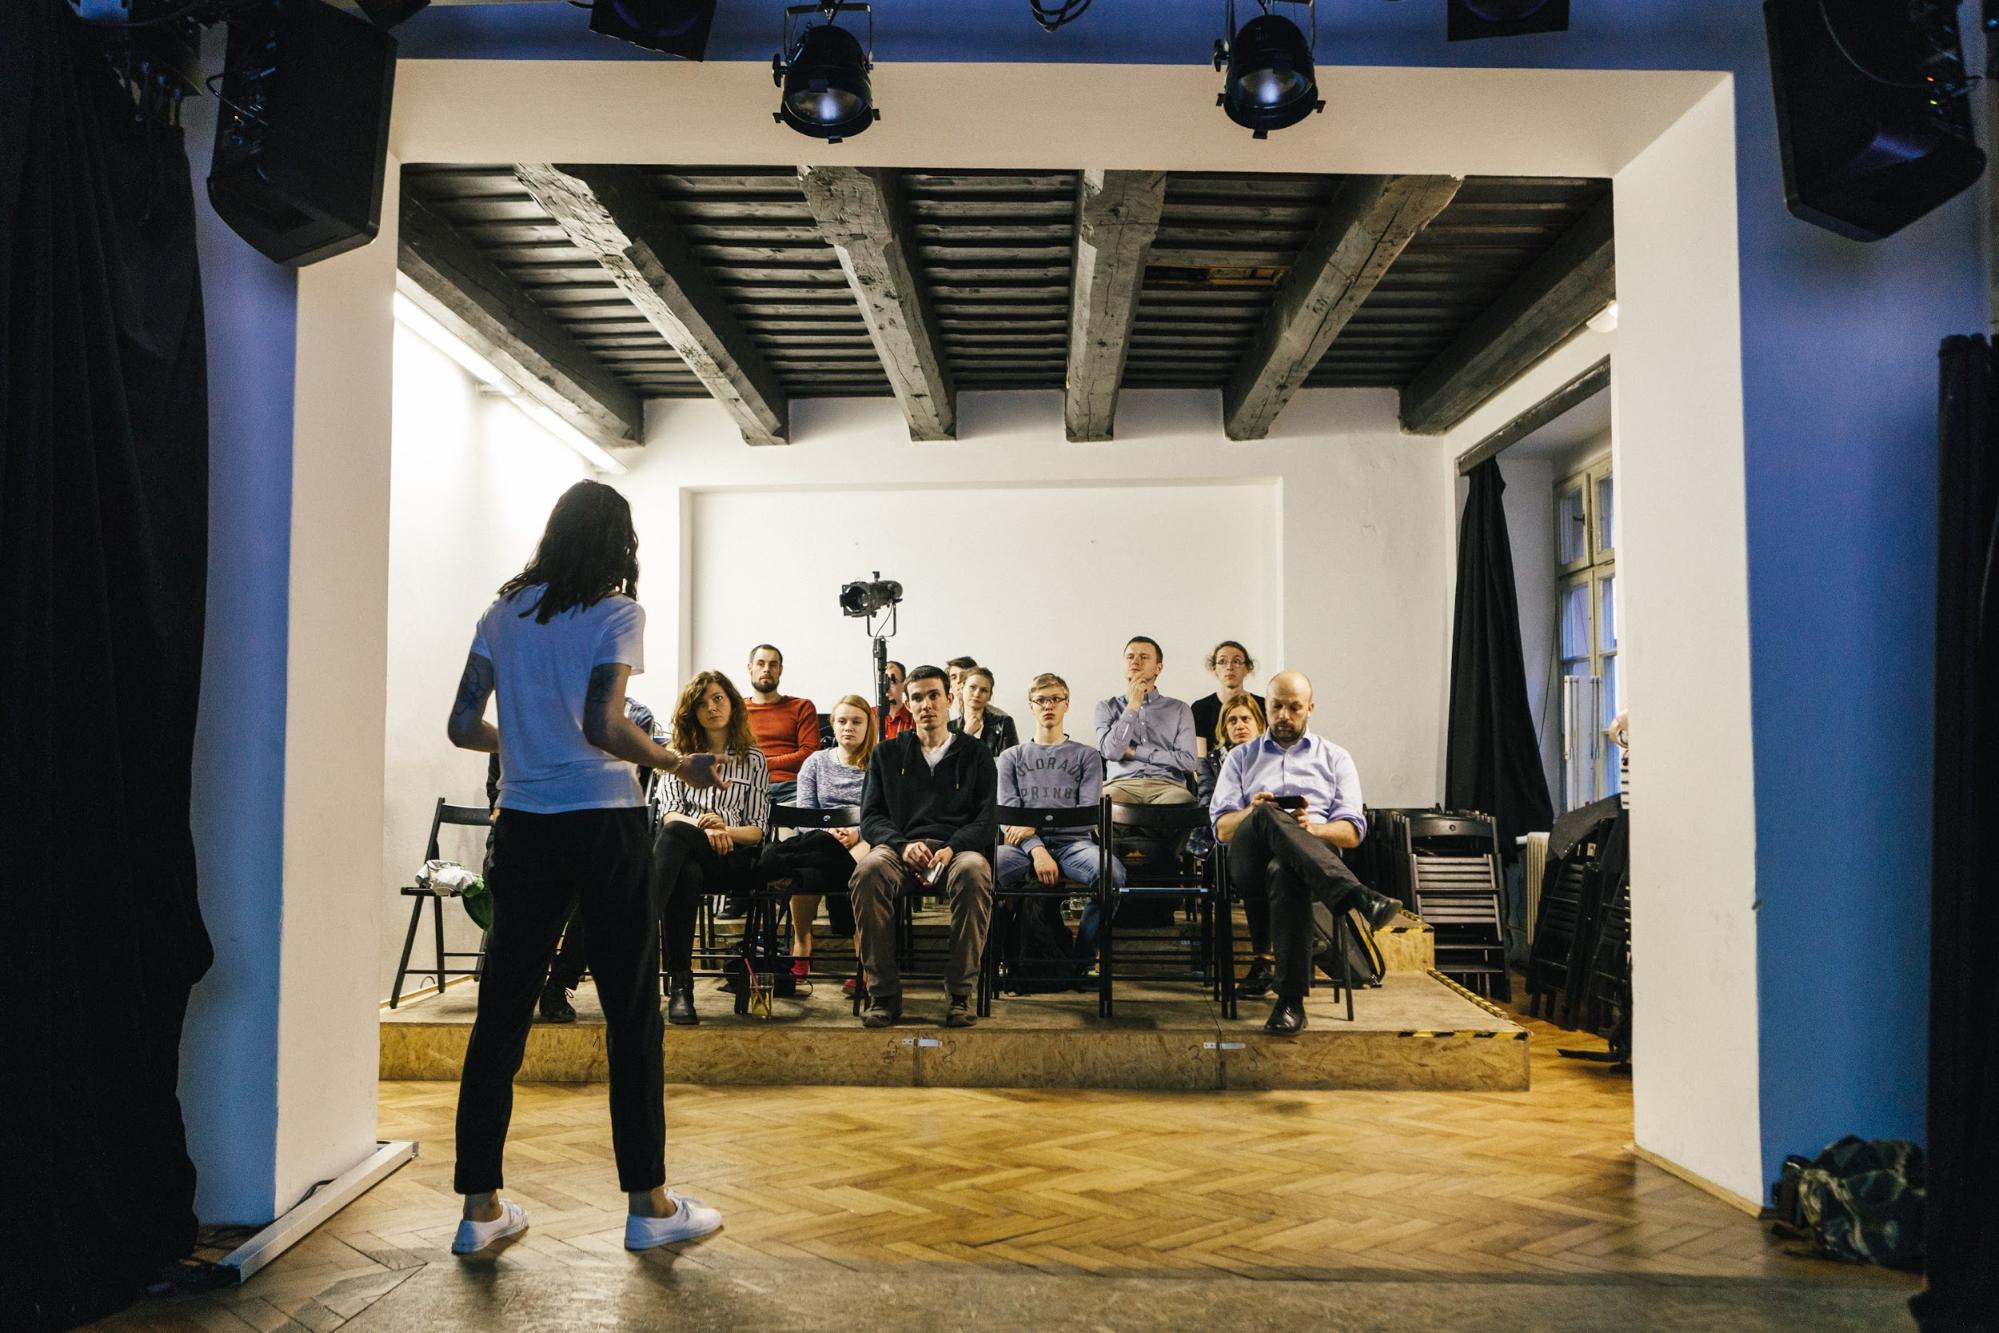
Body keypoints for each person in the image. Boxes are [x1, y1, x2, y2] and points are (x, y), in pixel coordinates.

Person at [445, 479, 722, 1256]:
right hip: (603, 823)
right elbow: (606, 725)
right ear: (617, 542)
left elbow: (463, 724)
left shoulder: (502, 613)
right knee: (632, 1009)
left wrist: (526, 744)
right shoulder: (615, 611)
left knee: (500, 1010)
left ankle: (479, 1209)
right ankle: (649, 1203)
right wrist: (675, 761)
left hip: (526, 828)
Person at [1211, 671, 1403, 1036]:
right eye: (1276, 706)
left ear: (1310, 709)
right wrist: (1255, 812)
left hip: (1309, 866)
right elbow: (1221, 829)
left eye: (1294, 707)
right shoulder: (1240, 758)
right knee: (1267, 812)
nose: (1284, 715)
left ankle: (1290, 1003)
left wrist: (1311, 829)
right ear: (1265, 707)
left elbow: (1351, 832)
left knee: (1287, 870)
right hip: (1248, 861)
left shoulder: (1336, 758)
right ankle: (1358, 895)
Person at [482, 694, 660, 1026]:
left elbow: (626, 788)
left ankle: (558, 983)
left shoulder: (633, 714)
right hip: (523, 837)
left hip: (591, 834)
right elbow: (497, 799)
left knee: (594, 894)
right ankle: (521, 988)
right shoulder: (521, 715)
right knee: (524, 890)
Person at [850, 665, 998, 1029]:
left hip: (956, 850)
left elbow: (987, 818)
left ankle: (960, 995)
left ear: (950, 699)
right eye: (917, 697)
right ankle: (883, 996)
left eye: (934, 695)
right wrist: (901, 846)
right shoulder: (886, 754)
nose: (926, 704)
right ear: (907, 703)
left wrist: (953, 847)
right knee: (867, 872)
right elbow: (870, 818)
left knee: (975, 871)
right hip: (901, 850)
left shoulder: (976, 753)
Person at [654, 671, 771, 1027]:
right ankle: (681, 988)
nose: (711, 707)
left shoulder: (753, 759)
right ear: (691, 712)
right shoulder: (677, 757)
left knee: (676, 838)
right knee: (685, 871)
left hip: (734, 859)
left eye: (718, 698)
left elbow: (757, 831)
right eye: (702, 702)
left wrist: (726, 831)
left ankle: (640, 932)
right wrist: (705, 832)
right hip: (688, 853)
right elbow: (670, 813)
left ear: (733, 703)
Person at [996, 673, 1124, 966]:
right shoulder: (1010, 757)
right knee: (981, 873)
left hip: (1073, 845)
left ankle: (1082, 959)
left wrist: (1033, 825)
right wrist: (1037, 849)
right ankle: (1004, 957)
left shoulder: (1087, 756)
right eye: (1041, 700)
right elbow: (1008, 816)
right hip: (1022, 848)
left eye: (1055, 699)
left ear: (1067, 704)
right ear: (1031, 706)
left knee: (1112, 875)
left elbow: (1087, 815)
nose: (1048, 705)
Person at [784, 694, 876, 978]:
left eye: (857, 721)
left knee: (862, 870)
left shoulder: (879, 762)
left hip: (865, 839)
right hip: (823, 838)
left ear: (867, 726)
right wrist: (829, 833)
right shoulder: (815, 762)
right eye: (842, 721)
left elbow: (882, 812)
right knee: (804, 872)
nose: (849, 727)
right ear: (833, 726)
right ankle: (801, 940)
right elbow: (805, 814)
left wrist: (855, 832)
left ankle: (864, 955)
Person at [1192, 693, 1278, 997]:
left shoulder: (1276, 758)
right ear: (1223, 729)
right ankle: (1273, 957)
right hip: (1226, 844)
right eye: (1232, 720)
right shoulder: (1213, 763)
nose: (1239, 725)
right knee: (1262, 866)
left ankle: (1271, 959)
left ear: (1259, 723)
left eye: (1245, 719)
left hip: (1274, 842)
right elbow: (1209, 805)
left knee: (1276, 867)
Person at [1094, 635, 1198, 806]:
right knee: (1104, 804)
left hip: (1168, 787)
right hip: (1121, 785)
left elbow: (1188, 761)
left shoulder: (1180, 709)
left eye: (1144, 657)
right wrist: (1133, 705)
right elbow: (1111, 752)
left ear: (1158, 668)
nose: (1135, 661)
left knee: (1183, 803)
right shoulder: (1106, 707)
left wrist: (1136, 752)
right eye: (1130, 657)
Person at [743, 643, 818, 805]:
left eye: (773, 664)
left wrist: (762, 763)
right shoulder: (735, 710)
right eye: (761, 663)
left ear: (780, 670)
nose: (766, 669)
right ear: (750, 668)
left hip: (792, 788)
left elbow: (809, 754)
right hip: (747, 787)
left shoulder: (802, 707)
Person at [1191, 641, 1265, 756]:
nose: (1229, 667)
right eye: (1222, 662)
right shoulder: (1201, 708)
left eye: (1236, 661)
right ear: (1214, 668)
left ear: (1247, 668)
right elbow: (1201, 761)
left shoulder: (1264, 705)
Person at [949, 665, 1019, 759]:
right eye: (972, 687)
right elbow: (947, 767)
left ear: (990, 696)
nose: (977, 694)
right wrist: (966, 734)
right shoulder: (949, 727)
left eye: (984, 690)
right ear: (962, 688)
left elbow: (1010, 764)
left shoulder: (1003, 723)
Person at [880, 659, 913, 740]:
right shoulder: (869, 716)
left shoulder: (914, 719)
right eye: (882, 682)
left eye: (892, 682)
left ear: (904, 686)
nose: (886, 688)